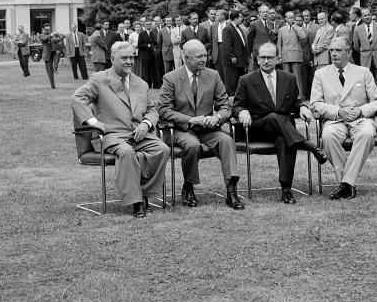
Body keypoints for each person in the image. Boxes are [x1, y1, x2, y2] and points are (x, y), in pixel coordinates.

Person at [71, 41, 169, 218]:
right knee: (126, 152)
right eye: (124, 58)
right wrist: (94, 122)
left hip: (140, 134)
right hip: (112, 136)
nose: (129, 61)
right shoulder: (99, 79)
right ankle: (136, 201)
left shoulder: (141, 83)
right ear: (112, 58)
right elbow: (78, 98)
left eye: (132, 57)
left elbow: (152, 110)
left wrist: (146, 124)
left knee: (162, 149)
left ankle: (144, 193)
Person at [232, 42, 327, 204]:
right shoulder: (246, 80)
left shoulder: (289, 78)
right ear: (257, 59)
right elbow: (236, 105)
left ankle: (286, 189)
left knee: (285, 140)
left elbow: (295, 103)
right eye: (262, 57)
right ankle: (309, 146)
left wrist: (303, 107)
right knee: (273, 116)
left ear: (278, 59)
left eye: (270, 57)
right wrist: (242, 111)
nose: (266, 61)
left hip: (283, 130)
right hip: (257, 127)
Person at [158, 39, 244, 210]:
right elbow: (164, 110)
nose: (204, 59)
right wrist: (189, 120)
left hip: (207, 128)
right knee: (192, 145)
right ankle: (188, 187)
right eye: (199, 56)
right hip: (180, 129)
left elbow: (226, 105)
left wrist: (218, 117)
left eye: (205, 55)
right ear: (186, 58)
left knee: (226, 140)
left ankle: (231, 191)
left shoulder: (213, 75)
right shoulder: (171, 78)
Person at [310, 36, 377, 199]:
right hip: (335, 120)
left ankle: (345, 184)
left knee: (366, 134)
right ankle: (348, 184)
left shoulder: (363, 72)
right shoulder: (320, 74)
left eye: (338, 50)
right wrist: (338, 111)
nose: (334, 54)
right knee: (328, 136)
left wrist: (360, 111)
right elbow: (315, 103)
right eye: (331, 51)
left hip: (360, 119)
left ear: (349, 53)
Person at [352, 8, 377, 99]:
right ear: (361, 17)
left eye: (368, 14)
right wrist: (365, 52)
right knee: (367, 84)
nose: (367, 17)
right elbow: (356, 46)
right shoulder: (358, 29)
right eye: (365, 15)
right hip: (366, 60)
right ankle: (369, 105)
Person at [277, 10, 309, 98]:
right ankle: (287, 96)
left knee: (297, 77)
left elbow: (303, 37)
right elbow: (279, 44)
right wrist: (279, 56)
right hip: (285, 55)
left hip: (296, 56)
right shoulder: (281, 30)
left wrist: (294, 27)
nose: (291, 19)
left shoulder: (299, 28)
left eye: (292, 18)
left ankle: (300, 96)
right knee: (285, 77)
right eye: (289, 18)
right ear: (285, 19)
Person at [221, 9, 250, 96]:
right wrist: (232, 56)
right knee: (231, 84)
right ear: (236, 18)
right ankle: (230, 103)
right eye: (241, 17)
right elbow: (227, 45)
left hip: (240, 61)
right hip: (232, 62)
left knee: (239, 84)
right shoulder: (227, 29)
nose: (242, 19)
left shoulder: (239, 28)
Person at [245, 5, 276, 70]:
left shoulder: (270, 23)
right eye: (263, 12)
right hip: (258, 52)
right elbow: (249, 39)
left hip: (269, 52)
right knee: (258, 72)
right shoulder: (254, 24)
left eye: (267, 12)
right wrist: (250, 52)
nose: (265, 13)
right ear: (259, 13)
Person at [39, 24, 57, 88]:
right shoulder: (41, 35)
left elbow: (58, 39)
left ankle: (53, 86)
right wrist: (51, 35)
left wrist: (57, 35)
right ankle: (53, 69)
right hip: (47, 55)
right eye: (46, 30)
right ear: (43, 30)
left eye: (49, 30)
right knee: (48, 71)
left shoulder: (52, 35)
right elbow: (44, 39)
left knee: (50, 71)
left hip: (54, 55)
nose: (48, 31)